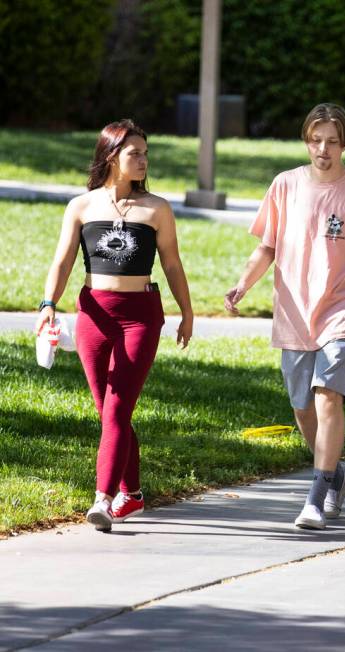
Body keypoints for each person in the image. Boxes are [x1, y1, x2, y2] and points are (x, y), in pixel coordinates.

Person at [225, 103, 345, 530]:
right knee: (302, 407)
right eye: (316, 140)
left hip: (342, 309)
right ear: (306, 140)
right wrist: (244, 284)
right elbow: (267, 246)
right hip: (294, 311)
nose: (323, 149)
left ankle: (317, 497)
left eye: (333, 142)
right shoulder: (285, 185)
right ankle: (336, 474)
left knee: (327, 398)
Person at [35, 119, 193, 532]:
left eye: (145, 154)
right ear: (111, 156)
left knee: (118, 406)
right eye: (134, 154)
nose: (143, 161)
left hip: (140, 314)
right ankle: (134, 495)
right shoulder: (82, 206)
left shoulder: (156, 208)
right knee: (108, 411)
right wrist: (48, 304)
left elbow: (172, 264)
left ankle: (103, 499)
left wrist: (187, 311)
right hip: (94, 313)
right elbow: (63, 261)